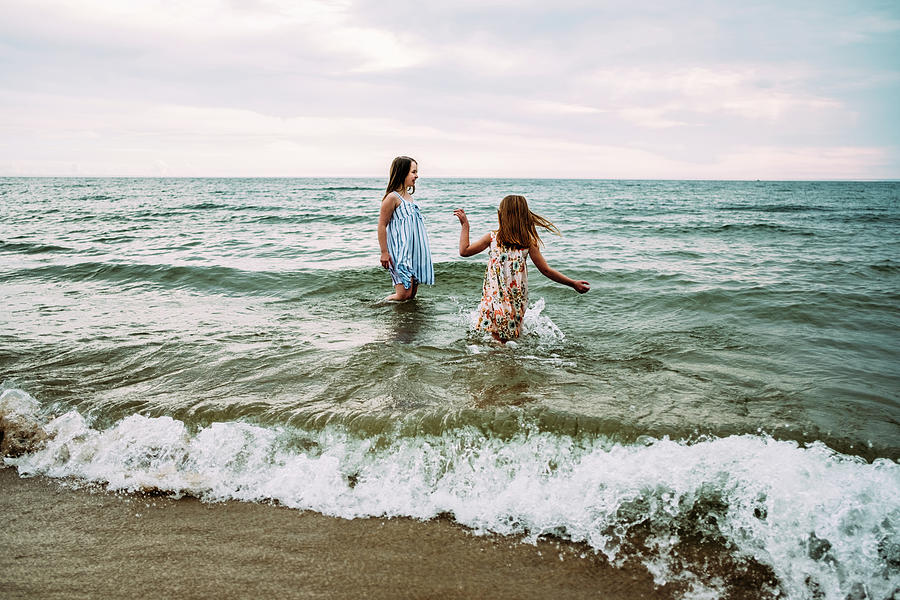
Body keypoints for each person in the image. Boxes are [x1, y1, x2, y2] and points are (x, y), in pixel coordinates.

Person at [454, 195, 589, 342]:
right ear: (524, 215)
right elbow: (546, 271)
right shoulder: (515, 240)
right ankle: (510, 361)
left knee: (504, 337)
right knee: (502, 336)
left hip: (508, 297)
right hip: (501, 296)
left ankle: (503, 361)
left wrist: (573, 283)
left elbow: (464, 251)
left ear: (502, 215)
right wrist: (465, 226)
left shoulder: (502, 239)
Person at [377, 156, 434, 301]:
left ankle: (407, 321)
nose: (417, 176)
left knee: (411, 294)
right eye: (413, 172)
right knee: (403, 295)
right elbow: (382, 225)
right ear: (402, 173)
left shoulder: (409, 197)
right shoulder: (392, 198)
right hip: (399, 252)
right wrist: (384, 252)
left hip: (413, 251)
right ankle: (380, 305)